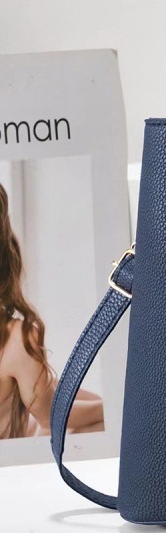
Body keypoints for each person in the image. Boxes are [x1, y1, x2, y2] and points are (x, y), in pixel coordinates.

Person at [0, 183, 103, 439]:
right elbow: (50, 417)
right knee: (94, 424)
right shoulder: (16, 339)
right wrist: (110, 408)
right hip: (23, 449)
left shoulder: (16, 342)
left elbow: (48, 395)